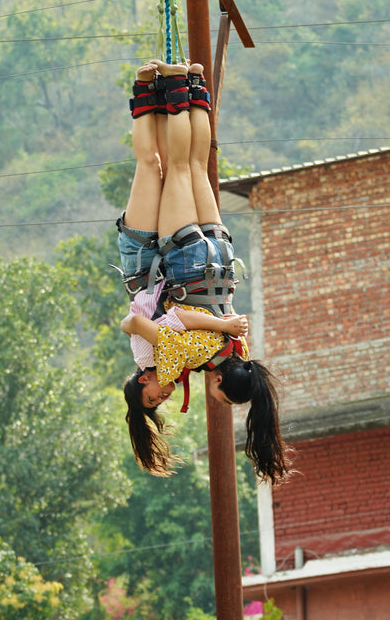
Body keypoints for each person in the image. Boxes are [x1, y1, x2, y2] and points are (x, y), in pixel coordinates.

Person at [117, 60, 292, 485]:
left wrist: (225, 322)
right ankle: (174, 85)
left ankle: (192, 86)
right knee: (171, 167)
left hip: (220, 262)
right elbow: (160, 319)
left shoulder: (239, 348)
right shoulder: (187, 358)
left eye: (153, 396)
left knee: (193, 166)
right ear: (219, 382)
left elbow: (157, 323)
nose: (164, 394)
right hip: (181, 266)